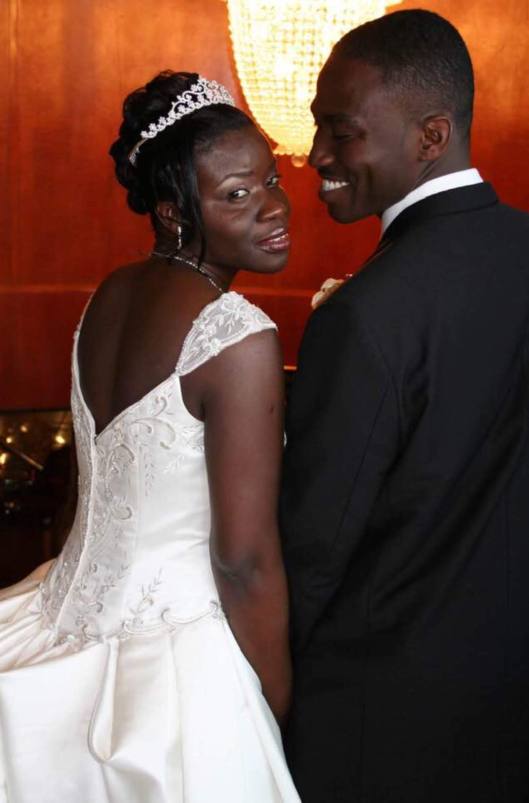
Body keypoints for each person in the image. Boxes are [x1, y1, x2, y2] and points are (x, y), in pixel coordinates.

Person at [0, 70, 301, 802]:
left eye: (269, 179)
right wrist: (274, 700)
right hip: (173, 675)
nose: (273, 206)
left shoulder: (109, 295)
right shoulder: (236, 334)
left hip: (55, 630)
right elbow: (243, 559)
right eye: (236, 194)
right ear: (172, 213)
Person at [280, 9, 529, 802]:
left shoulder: (364, 314)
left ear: (431, 136)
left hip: (376, 722)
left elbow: (312, 553)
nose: (315, 154)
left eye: (340, 130)